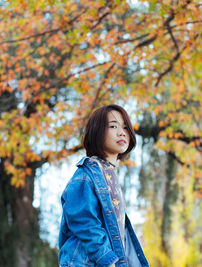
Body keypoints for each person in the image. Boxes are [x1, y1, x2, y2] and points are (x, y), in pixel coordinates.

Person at [58, 104, 149, 267]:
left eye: (125, 127)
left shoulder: (110, 174)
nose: (122, 132)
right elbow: (83, 219)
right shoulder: (88, 173)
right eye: (113, 126)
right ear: (97, 131)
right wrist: (106, 258)